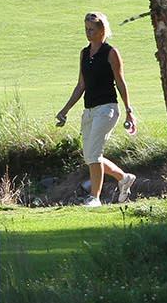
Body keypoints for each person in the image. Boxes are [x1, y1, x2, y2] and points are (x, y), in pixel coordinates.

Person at [55, 11, 136, 206]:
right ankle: (124, 178)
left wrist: (129, 110)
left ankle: (95, 198)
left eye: (92, 29)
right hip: (89, 110)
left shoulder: (110, 52)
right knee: (90, 156)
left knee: (94, 154)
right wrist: (65, 110)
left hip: (107, 109)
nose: (88, 33)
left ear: (102, 31)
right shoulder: (84, 53)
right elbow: (81, 85)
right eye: (86, 29)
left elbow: (120, 82)